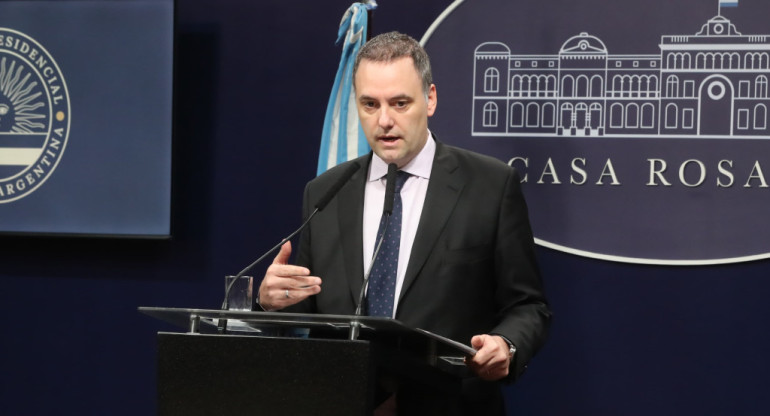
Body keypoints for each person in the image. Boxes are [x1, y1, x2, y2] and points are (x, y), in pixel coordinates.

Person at [257, 31, 550, 415]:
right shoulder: (325, 192)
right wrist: (271, 304)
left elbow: (528, 305)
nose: (384, 121)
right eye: (369, 104)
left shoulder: (490, 186)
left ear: (430, 99)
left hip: (449, 404)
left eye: (399, 103)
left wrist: (505, 345)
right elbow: (313, 316)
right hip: (342, 400)